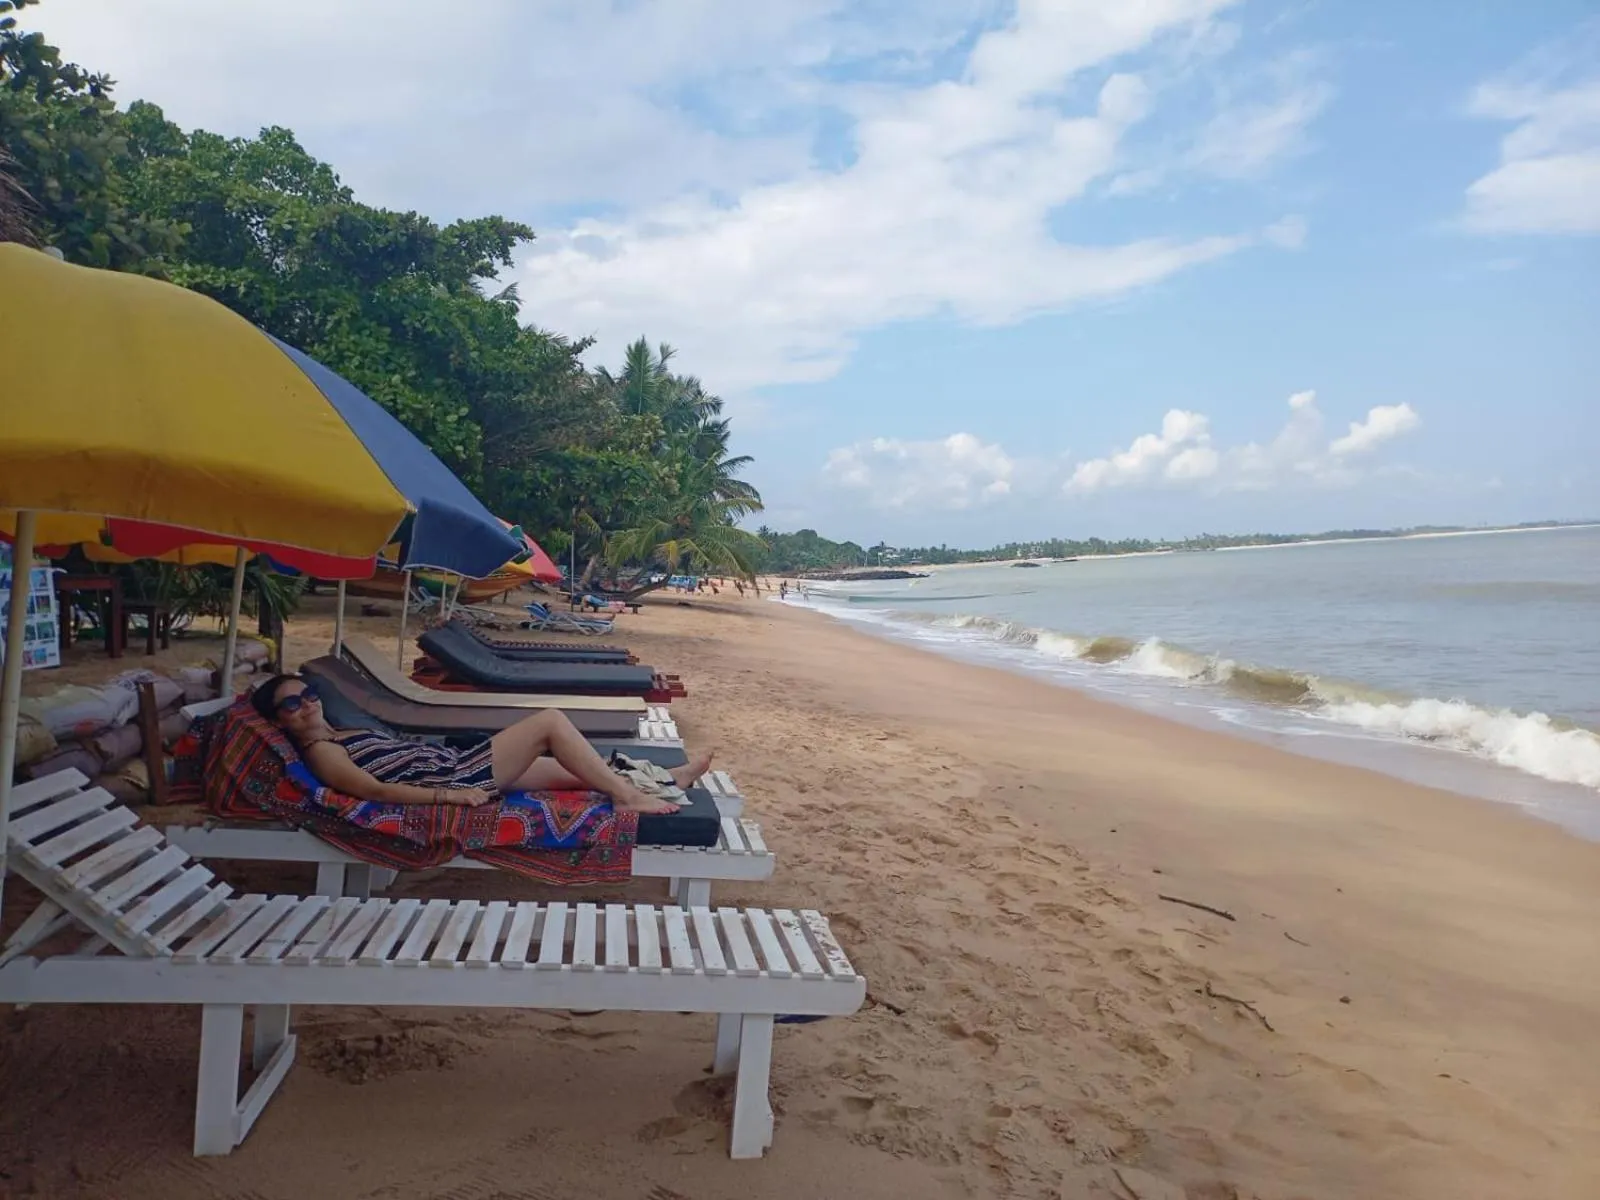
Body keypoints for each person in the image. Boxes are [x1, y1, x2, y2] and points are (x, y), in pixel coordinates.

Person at [250, 674, 711, 815]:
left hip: (454, 761)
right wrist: (450, 795)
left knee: (574, 771)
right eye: (292, 705)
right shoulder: (323, 753)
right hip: (456, 774)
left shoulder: (340, 734)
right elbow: (374, 791)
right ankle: (627, 795)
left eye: (310, 694)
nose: (307, 705)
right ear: (279, 721)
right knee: (550, 722)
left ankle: (670, 778)